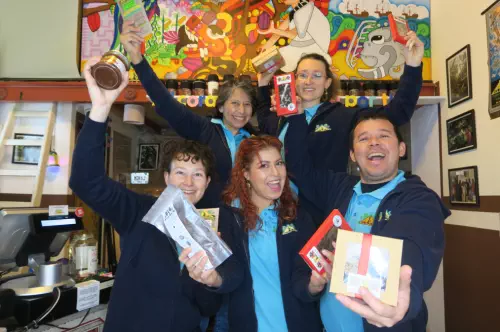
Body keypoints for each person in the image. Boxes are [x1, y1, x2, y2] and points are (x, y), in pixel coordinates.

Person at [70, 57, 233, 332]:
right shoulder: (139, 211)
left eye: (197, 175)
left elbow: (207, 308)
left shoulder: (208, 229)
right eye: (180, 172)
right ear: (167, 178)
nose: (188, 182)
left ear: (207, 183)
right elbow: (86, 182)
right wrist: (100, 108)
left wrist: (210, 279)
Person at [285, 111, 450, 332]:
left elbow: (412, 247)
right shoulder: (339, 187)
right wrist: (295, 114)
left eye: (383, 136)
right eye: (363, 138)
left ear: (401, 148)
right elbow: (299, 166)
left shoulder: (419, 199)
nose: (374, 143)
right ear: (353, 154)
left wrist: (402, 300)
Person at [257, 31, 425, 226]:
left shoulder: (343, 116)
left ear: (327, 83)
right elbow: (263, 119)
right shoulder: (282, 118)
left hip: (320, 210)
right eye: (302, 75)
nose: (308, 81)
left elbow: (397, 113)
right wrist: (262, 83)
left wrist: (412, 68)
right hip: (280, 210)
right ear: (294, 80)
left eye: (316, 75)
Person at [119, 20, 258, 209]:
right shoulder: (205, 129)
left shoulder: (254, 140)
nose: (241, 111)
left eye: (247, 104)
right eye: (234, 103)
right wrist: (137, 59)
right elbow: (166, 104)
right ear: (221, 107)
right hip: (209, 220)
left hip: (247, 220)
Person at [198, 135, 323, 332]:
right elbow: (231, 274)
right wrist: (214, 278)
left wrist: (314, 285)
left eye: (279, 163)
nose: (275, 173)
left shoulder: (299, 217)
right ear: (246, 174)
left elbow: (302, 277)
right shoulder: (229, 218)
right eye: (263, 165)